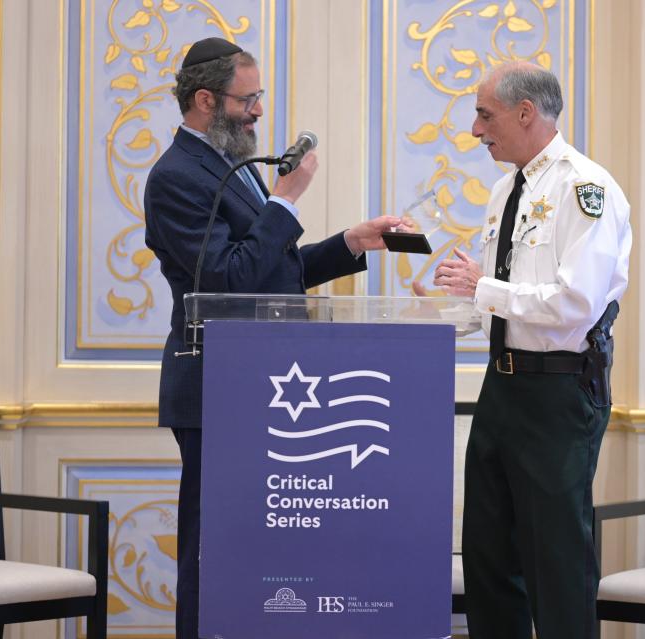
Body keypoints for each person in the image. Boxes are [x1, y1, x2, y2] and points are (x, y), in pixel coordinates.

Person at [143, 37, 407, 639]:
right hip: (218, 386)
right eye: (249, 98)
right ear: (206, 100)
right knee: (215, 548)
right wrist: (285, 200)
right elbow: (226, 279)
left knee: (268, 557)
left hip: (267, 382)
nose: (259, 110)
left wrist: (350, 243)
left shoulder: (227, 164)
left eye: (259, 97)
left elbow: (265, 270)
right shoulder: (175, 176)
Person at [428, 61, 632, 638]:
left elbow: (575, 304)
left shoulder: (584, 188)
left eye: (484, 114)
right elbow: (497, 301)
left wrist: (482, 287)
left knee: (556, 564)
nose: (474, 129)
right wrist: (428, 320)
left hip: (558, 394)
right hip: (503, 387)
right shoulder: (504, 190)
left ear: (525, 113)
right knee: (488, 557)